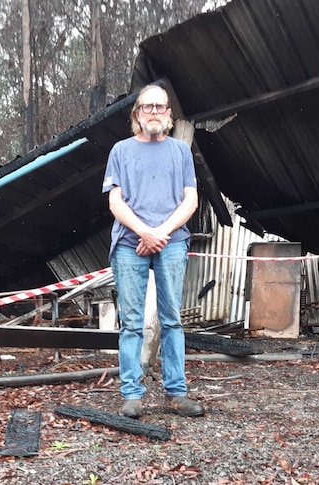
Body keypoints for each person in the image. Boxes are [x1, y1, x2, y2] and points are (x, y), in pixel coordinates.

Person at [101, 84, 204, 418]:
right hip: (130, 244)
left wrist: (161, 232)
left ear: (169, 115)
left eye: (161, 107)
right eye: (148, 107)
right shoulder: (120, 151)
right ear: (137, 114)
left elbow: (191, 199)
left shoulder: (181, 152)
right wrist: (144, 231)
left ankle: (177, 394)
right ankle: (131, 394)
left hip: (171, 242)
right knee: (131, 323)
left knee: (172, 319)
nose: (155, 112)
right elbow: (114, 200)